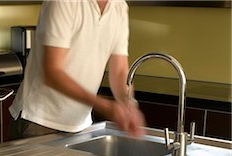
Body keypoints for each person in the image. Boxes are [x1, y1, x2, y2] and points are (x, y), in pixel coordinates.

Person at [8, 0, 145, 140]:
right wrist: (106, 107)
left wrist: (128, 104)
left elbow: (120, 71)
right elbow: (52, 72)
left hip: (81, 125)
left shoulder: (119, 7)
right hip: (39, 121)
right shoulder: (64, 2)